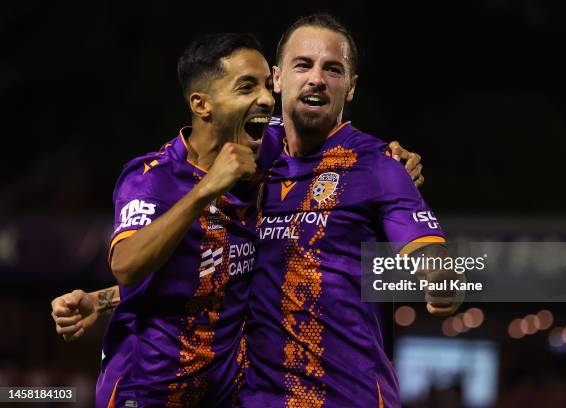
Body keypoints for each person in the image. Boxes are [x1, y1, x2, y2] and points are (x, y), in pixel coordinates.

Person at [50, 30, 424, 407]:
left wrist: (387, 160)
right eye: (247, 87)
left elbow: (208, 275)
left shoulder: (286, 153)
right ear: (202, 104)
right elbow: (132, 266)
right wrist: (205, 190)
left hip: (254, 395)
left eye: (264, 86)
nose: (265, 98)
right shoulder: (156, 178)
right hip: (149, 391)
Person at [238, 14, 460, 407]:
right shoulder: (246, 157)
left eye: (333, 69)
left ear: (351, 87)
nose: (316, 79)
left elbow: (429, 252)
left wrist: (442, 278)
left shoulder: (379, 166)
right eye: (303, 64)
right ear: (276, 78)